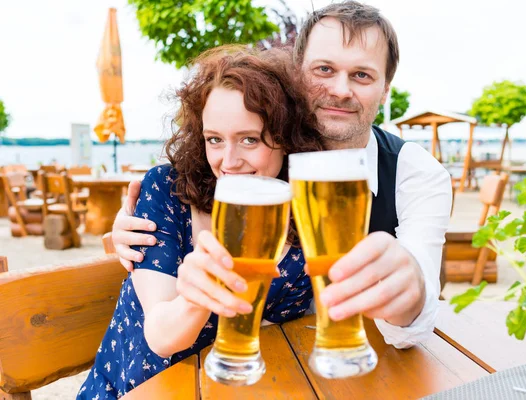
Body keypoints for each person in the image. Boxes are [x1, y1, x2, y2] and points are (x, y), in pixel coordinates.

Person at [112, 1, 452, 351]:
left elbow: (415, 325)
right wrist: (130, 227)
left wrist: (410, 289)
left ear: (385, 90)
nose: (340, 89)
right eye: (323, 69)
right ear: (296, 75)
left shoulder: (415, 173)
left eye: (362, 75)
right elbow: (193, 188)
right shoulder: (268, 163)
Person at [77, 47, 324, 399]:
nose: (228, 161)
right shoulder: (168, 191)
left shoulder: (304, 223)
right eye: (215, 140)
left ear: (285, 138)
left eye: (249, 139)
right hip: (130, 391)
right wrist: (198, 296)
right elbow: (161, 337)